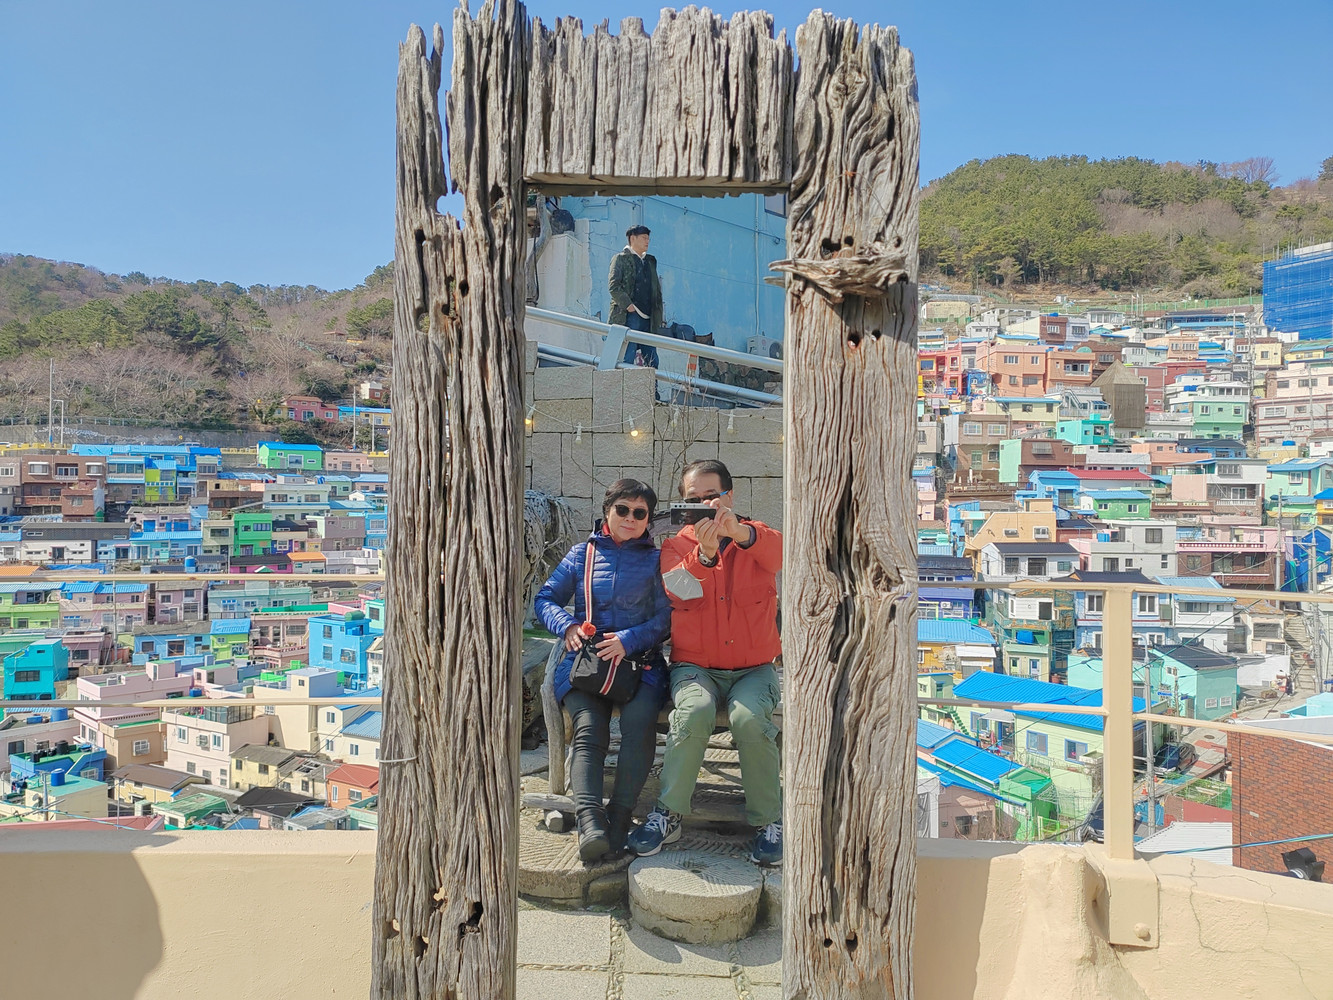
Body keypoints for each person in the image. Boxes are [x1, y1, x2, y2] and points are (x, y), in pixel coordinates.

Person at [628, 459, 785, 866]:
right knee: (693, 713)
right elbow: (679, 593)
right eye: (693, 499)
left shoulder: (758, 536)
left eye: (712, 496)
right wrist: (706, 555)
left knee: (750, 720)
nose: (704, 505)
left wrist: (739, 533)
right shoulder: (675, 547)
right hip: (695, 667)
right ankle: (668, 813)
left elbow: (780, 556)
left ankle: (769, 820)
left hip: (754, 668)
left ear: (729, 496)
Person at [535, 480, 671, 862]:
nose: (630, 518)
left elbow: (668, 617)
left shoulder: (657, 560)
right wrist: (568, 626)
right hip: (586, 664)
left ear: (648, 519)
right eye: (622, 509)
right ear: (607, 510)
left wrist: (629, 639)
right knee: (589, 728)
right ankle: (590, 820)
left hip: (640, 664)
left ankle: (621, 817)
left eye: (640, 513)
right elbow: (545, 599)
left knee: (639, 725)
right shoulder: (582, 554)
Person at [608, 224, 663, 368]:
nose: (647, 241)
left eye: (648, 238)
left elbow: (656, 290)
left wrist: (657, 312)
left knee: (652, 359)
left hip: (648, 317)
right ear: (633, 238)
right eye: (644, 238)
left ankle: (652, 383)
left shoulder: (650, 262)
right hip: (630, 315)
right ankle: (625, 383)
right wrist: (628, 306)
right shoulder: (620, 259)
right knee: (628, 355)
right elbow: (614, 287)